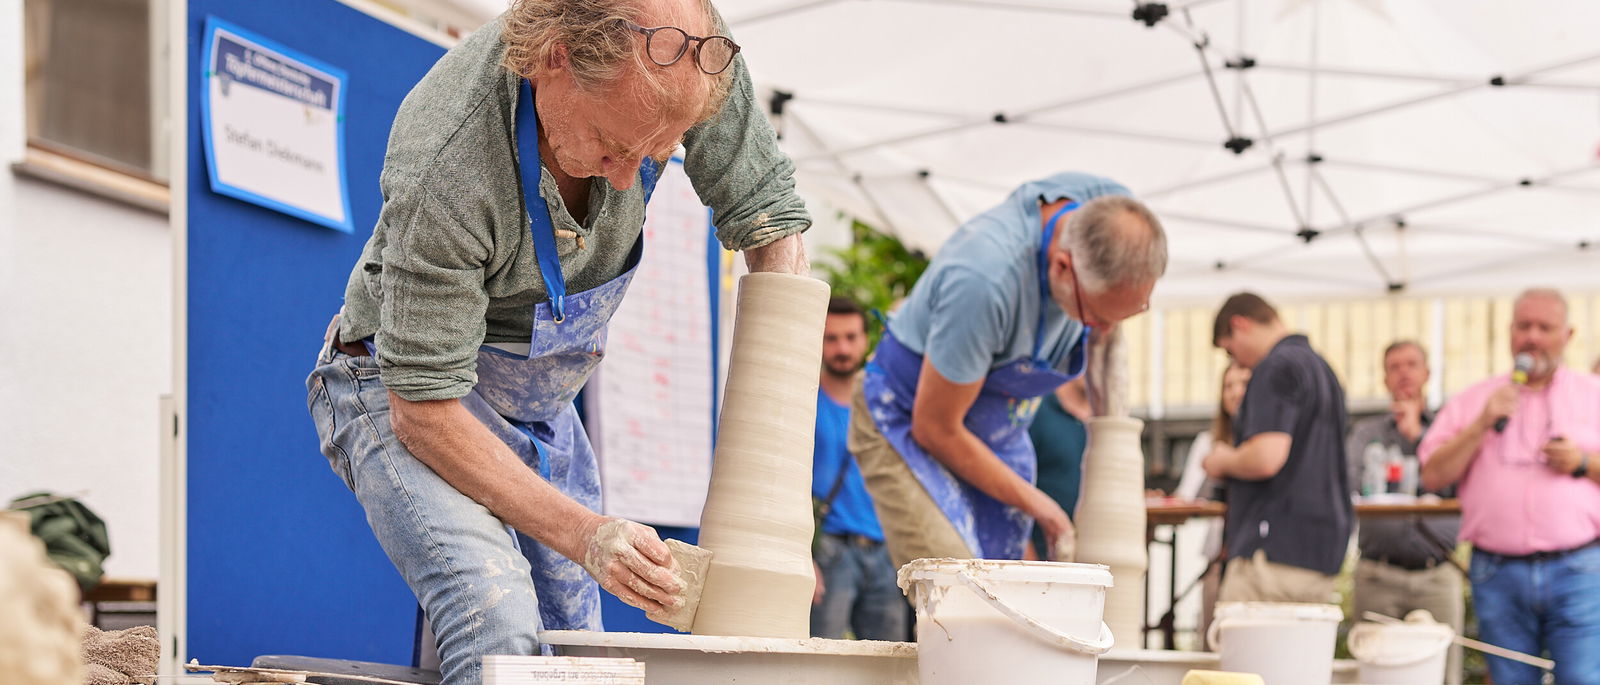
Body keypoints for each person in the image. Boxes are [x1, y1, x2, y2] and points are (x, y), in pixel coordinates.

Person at [304, 1, 810, 681]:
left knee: (575, 656)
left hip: (537, 406)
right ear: (553, 58)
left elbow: (772, 226)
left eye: (659, 154)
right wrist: (588, 534)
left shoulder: (689, 60)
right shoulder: (447, 159)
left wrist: (781, 512)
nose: (632, 177)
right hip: (399, 389)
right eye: (616, 144)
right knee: (498, 623)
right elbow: (422, 409)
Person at [848, 172, 1168, 568]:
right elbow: (934, 428)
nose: (1103, 332)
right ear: (1063, 267)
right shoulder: (983, 282)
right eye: (1097, 317)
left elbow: (1108, 338)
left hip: (992, 424)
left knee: (1007, 585)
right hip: (907, 414)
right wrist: (1042, 506)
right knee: (961, 588)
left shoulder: (1115, 215)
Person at [1420, 288, 1600, 685]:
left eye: (1545, 327)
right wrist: (1481, 424)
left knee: (1584, 678)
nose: (1532, 336)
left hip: (1579, 569)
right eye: (1524, 326)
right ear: (1510, 332)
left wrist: (1584, 462)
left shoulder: (1593, 394)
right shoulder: (1475, 400)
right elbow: (1433, 475)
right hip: (1498, 572)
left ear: (1568, 335)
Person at [1205, 292, 1352, 604]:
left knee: (1245, 651)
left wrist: (1224, 460)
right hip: (1321, 551)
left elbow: (1266, 458)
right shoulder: (1323, 369)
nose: (1236, 362)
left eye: (1230, 351)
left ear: (1239, 325)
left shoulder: (1275, 366)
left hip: (1272, 550)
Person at [1346, 341, 1462, 685]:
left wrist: (1419, 437)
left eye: (1411, 364)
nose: (1404, 373)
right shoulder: (1366, 434)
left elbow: (1459, 486)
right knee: (1376, 672)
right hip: (1377, 572)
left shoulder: (1449, 428)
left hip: (1436, 572)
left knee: (1444, 673)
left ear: (1427, 373)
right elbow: (1350, 485)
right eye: (1394, 366)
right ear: (1384, 378)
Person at [809, 297, 906, 641]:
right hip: (829, 551)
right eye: (831, 338)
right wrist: (803, 559)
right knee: (818, 664)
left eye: (851, 337)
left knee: (891, 667)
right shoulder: (804, 401)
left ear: (866, 339)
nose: (842, 348)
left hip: (885, 553)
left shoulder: (886, 404)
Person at [1173, 362, 1248, 648]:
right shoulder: (1208, 442)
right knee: (1213, 635)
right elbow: (1187, 497)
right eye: (1228, 386)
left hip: (1254, 554)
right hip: (1219, 553)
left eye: (1242, 384)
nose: (1235, 393)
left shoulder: (1269, 443)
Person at [1026, 376, 1091, 559]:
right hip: (1043, 553)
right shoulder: (1038, 409)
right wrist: (1026, 558)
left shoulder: (1107, 419)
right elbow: (1012, 479)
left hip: (1094, 554)